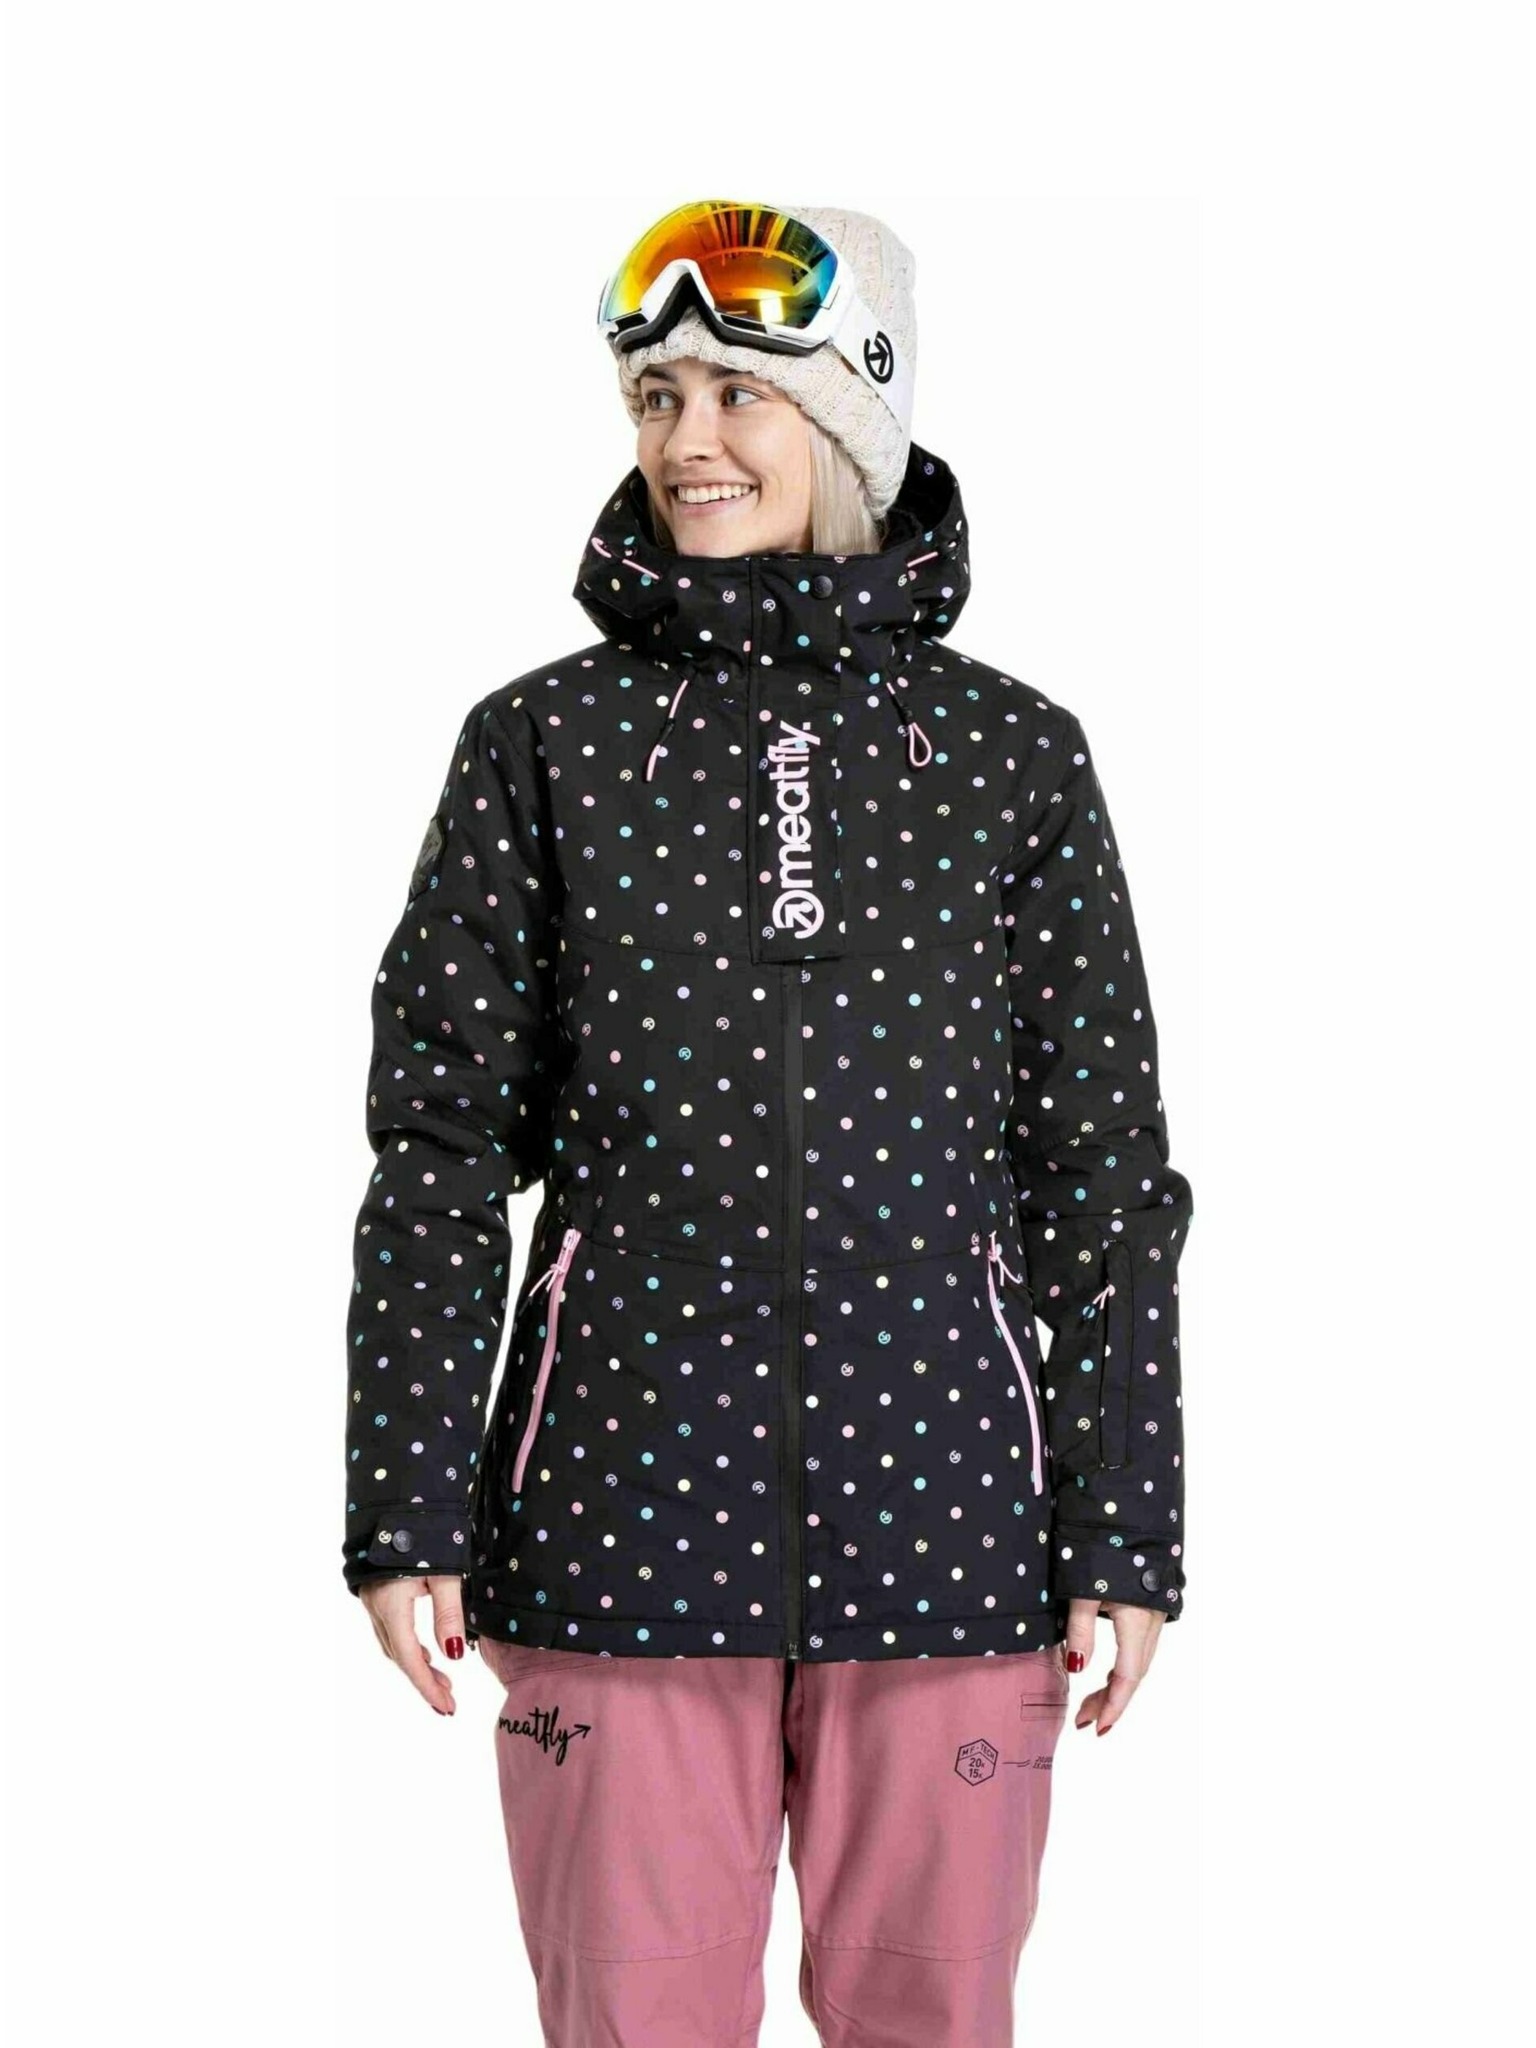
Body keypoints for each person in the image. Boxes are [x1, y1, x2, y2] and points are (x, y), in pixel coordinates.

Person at [341, 199, 1195, 2046]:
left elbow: (1103, 1179)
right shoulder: (542, 745)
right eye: (655, 396)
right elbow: (437, 1152)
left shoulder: (1013, 758)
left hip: (954, 1537)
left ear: (854, 416)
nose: (688, 440)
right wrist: (404, 1503)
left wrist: (1126, 1523)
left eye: (740, 390)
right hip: (614, 1529)